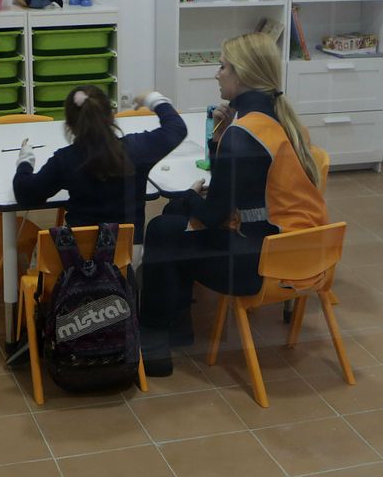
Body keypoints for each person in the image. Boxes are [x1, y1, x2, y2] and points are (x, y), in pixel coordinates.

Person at [139, 31, 327, 374]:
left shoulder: (242, 134)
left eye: (223, 66)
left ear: (242, 74)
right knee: (176, 216)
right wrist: (216, 143)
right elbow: (248, 186)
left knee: (162, 229)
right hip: (305, 251)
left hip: (264, 266)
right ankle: (176, 324)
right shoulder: (279, 121)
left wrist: (188, 195)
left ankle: (153, 339)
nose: (217, 73)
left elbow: (213, 216)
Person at [12, 85, 185, 244]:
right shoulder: (136, 149)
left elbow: (26, 194)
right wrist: (153, 98)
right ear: (111, 117)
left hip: (78, 259)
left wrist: (25, 160)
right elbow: (176, 128)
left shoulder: (65, 160)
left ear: (70, 125)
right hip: (129, 254)